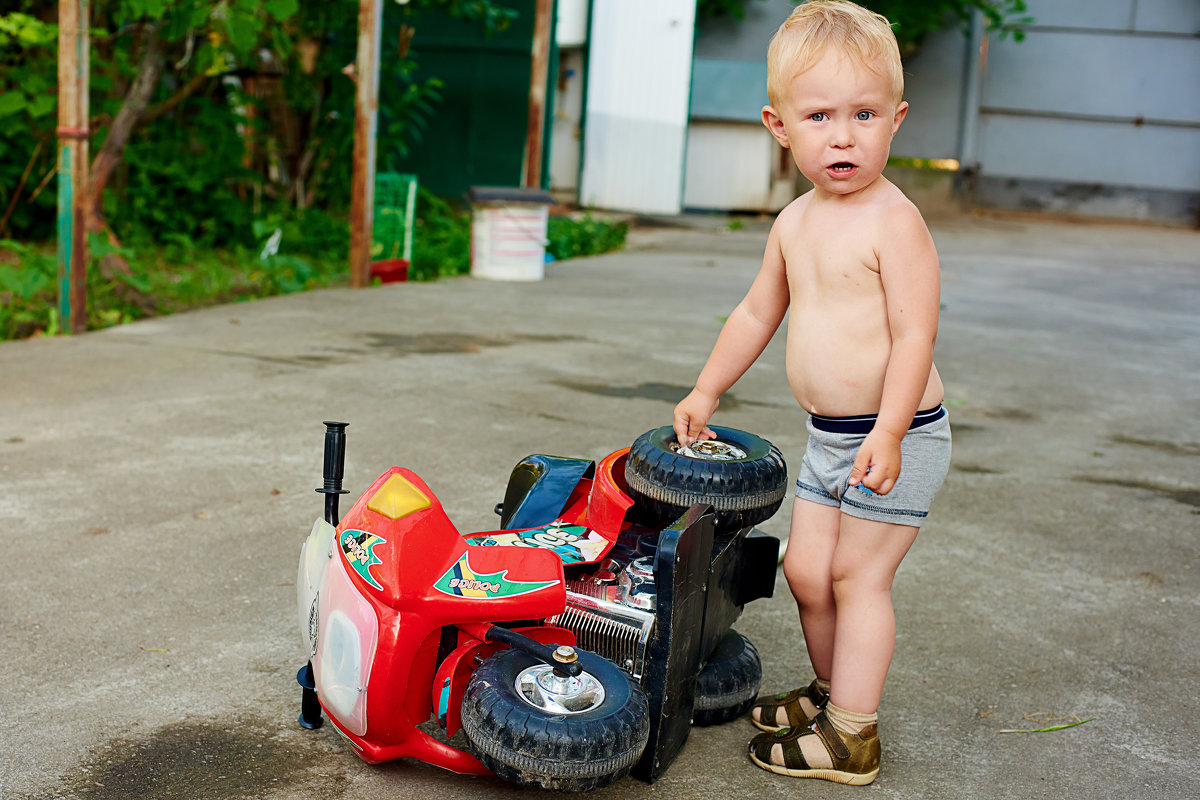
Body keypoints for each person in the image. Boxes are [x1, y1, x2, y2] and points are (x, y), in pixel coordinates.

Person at [672, 0, 951, 786]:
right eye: (820, 114)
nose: (843, 135)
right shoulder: (795, 222)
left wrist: (891, 432)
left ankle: (853, 734)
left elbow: (913, 337)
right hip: (831, 437)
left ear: (895, 120)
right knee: (805, 574)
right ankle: (833, 696)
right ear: (779, 126)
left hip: (897, 435)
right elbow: (759, 310)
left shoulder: (894, 223)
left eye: (864, 114)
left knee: (858, 579)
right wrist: (708, 386)